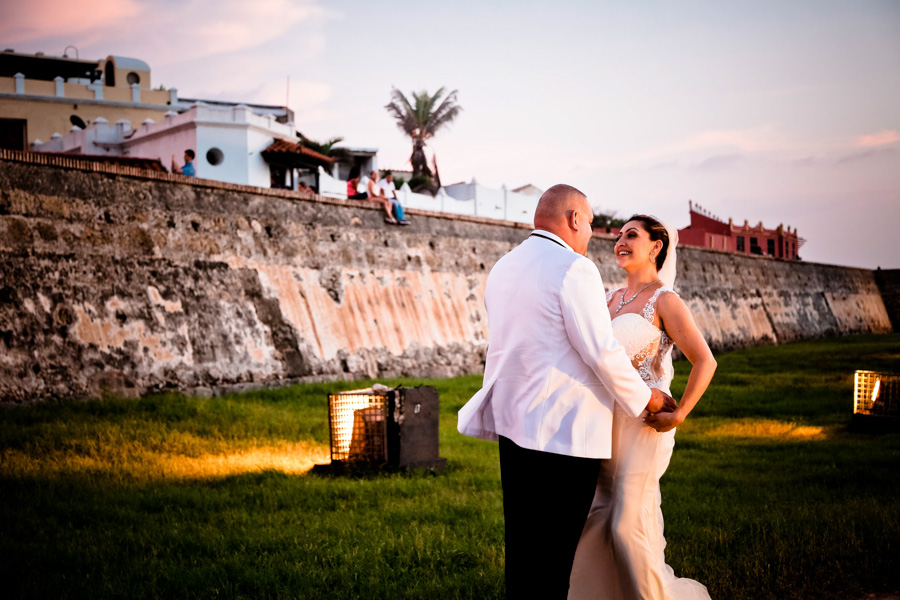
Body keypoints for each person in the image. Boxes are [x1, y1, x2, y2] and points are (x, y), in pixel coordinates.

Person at [458, 186, 676, 599]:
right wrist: (647, 398)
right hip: (562, 435)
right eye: (591, 223)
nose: (593, 233)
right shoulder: (574, 268)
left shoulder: (505, 265)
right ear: (574, 219)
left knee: (523, 551)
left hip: (513, 427)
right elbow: (600, 350)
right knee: (556, 559)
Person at [569, 215, 717, 600]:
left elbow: (705, 361)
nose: (620, 241)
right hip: (603, 424)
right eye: (618, 235)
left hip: (644, 426)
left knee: (625, 525)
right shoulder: (608, 299)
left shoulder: (664, 300)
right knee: (595, 519)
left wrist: (680, 412)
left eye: (631, 235)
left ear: (656, 247)